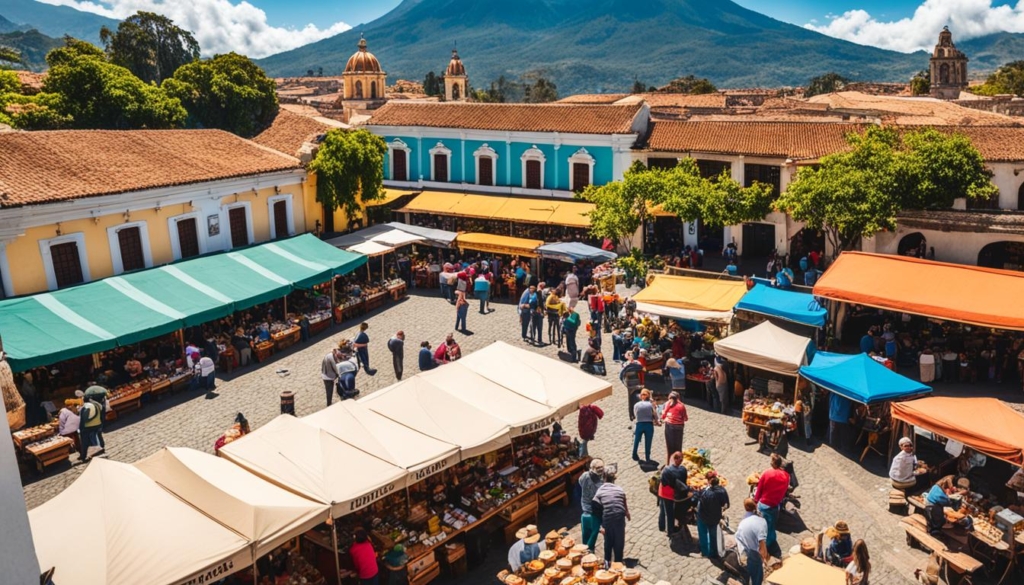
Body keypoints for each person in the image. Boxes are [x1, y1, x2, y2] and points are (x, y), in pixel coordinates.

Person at [754, 453, 789, 558]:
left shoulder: (767, 473)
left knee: (763, 526)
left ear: (773, 463)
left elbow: (759, 489)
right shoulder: (786, 476)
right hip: (775, 504)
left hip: (764, 504)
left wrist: (755, 501)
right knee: (772, 525)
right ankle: (771, 541)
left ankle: (764, 545)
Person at [592, 471, 630, 566]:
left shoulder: (600, 490)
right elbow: (624, 500)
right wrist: (627, 512)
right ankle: (619, 563)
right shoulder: (619, 489)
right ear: (613, 480)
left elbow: (595, 507)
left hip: (608, 518)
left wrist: (600, 526)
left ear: (604, 479)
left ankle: (607, 564)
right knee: (619, 542)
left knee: (608, 542)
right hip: (619, 517)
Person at [735, 498, 769, 585]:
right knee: (757, 574)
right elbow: (762, 543)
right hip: (755, 552)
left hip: (747, 550)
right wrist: (764, 557)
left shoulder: (743, 522)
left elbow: (738, 537)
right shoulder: (761, 521)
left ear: (745, 508)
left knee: (751, 569)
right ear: (756, 505)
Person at [696, 473, 730, 558]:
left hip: (703, 516)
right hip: (715, 517)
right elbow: (726, 504)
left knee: (703, 533)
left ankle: (705, 552)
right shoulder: (722, 490)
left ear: (710, 483)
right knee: (713, 535)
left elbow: (700, 502)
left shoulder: (705, 493)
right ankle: (714, 553)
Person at [658, 451, 690, 540]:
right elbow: (683, 482)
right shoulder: (682, 470)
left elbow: (663, 481)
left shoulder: (666, 470)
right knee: (670, 513)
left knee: (662, 510)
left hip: (662, 492)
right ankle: (670, 530)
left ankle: (661, 526)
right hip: (671, 495)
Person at [579, 459, 605, 553]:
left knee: (585, 541)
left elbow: (580, 482)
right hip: (595, 515)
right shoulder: (601, 483)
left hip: (585, 513)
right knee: (590, 546)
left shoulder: (584, 476)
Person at [660, 390, 688, 460]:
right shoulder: (681, 406)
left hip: (669, 426)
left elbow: (663, 416)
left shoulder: (667, 404)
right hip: (679, 427)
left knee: (669, 447)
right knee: (678, 446)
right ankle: (678, 462)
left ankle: (669, 463)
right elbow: (685, 418)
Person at [77, 391, 105, 462]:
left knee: (85, 441)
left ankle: (84, 456)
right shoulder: (96, 404)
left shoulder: (86, 407)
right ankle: (100, 448)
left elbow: (84, 419)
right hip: (98, 424)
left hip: (88, 426)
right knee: (97, 436)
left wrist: (81, 428)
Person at [632, 389, 656, 462]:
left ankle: (634, 454)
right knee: (648, 441)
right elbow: (655, 414)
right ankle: (647, 457)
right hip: (649, 424)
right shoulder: (651, 404)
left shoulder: (636, 405)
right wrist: (657, 421)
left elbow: (635, 414)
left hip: (639, 424)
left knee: (636, 440)